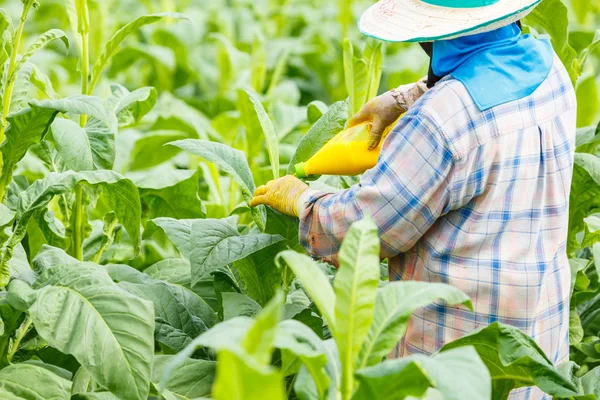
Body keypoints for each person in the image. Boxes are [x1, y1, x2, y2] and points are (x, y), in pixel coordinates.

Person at [250, 0, 576, 398]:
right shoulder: (549, 68)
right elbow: (484, 78)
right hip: (534, 352)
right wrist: (403, 99)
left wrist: (302, 200)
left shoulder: (440, 123)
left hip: (449, 366)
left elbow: (365, 230)